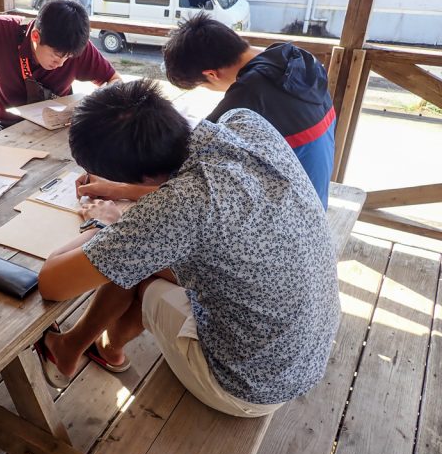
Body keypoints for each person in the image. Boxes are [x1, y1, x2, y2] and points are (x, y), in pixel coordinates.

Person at [37, 79, 340, 418]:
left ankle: (76, 349)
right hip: (304, 349)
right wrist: (121, 190)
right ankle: (100, 348)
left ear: (142, 177)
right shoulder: (245, 123)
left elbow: (51, 282)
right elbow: (196, 189)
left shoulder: (181, 206)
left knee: (138, 269)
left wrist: (104, 224)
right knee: (143, 257)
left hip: (249, 387)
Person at [162, 12, 335, 208]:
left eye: (203, 85)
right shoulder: (295, 58)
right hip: (318, 199)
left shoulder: (251, 91)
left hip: (294, 215)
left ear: (211, 74)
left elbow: (193, 153)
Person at [0, 0, 123, 131]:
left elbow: (115, 81)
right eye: (56, 55)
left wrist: (92, 104)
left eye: (69, 57)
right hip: (2, 123)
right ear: (36, 36)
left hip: (57, 126)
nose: (61, 63)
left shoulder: (74, 46)